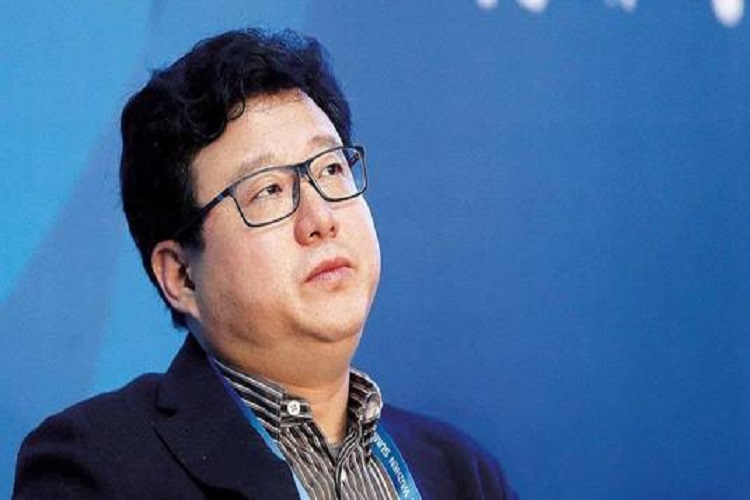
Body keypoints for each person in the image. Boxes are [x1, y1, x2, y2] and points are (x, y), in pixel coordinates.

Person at [14, 28, 515, 499]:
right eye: (269, 190)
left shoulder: (461, 472)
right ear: (181, 275)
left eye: (331, 168)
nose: (320, 219)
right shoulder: (96, 467)